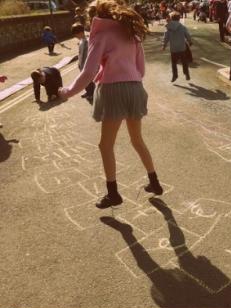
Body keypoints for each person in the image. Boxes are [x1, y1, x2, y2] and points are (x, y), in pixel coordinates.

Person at [58, 0, 163, 209]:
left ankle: (113, 194)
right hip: (135, 88)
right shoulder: (131, 33)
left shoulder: (100, 35)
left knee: (105, 145)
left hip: (113, 91)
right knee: (137, 140)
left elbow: (88, 72)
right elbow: (140, 70)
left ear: (95, 16)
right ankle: (155, 183)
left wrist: (67, 92)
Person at [163, 11, 192, 82]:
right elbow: (187, 35)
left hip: (173, 48)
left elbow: (166, 37)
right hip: (182, 47)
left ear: (171, 18)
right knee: (184, 61)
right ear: (179, 19)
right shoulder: (182, 27)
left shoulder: (168, 27)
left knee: (174, 63)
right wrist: (190, 41)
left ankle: (174, 76)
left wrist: (164, 45)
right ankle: (186, 73)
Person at [72, 23, 95, 100]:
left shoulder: (87, 41)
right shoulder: (81, 41)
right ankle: (88, 92)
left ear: (81, 32)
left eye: (76, 34)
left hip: (87, 65)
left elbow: (90, 54)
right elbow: (80, 53)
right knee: (84, 80)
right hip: (81, 64)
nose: (75, 36)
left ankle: (92, 93)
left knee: (89, 80)